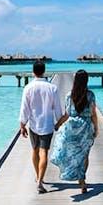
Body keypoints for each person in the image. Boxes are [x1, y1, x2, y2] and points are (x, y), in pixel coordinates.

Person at [50, 69, 98, 194]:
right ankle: (82, 179)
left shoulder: (69, 95)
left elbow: (66, 114)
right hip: (85, 127)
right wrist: (96, 128)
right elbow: (93, 114)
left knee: (71, 153)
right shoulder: (90, 95)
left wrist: (58, 124)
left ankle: (73, 174)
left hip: (71, 127)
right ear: (86, 80)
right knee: (84, 155)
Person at [18, 60, 63, 194]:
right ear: (44, 71)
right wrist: (58, 123)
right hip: (47, 125)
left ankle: (38, 177)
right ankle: (39, 181)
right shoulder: (52, 88)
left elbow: (24, 109)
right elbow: (58, 110)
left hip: (33, 124)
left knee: (35, 150)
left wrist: (22, 125)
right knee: (44, 152)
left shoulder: (28, 87)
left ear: (33, 72)